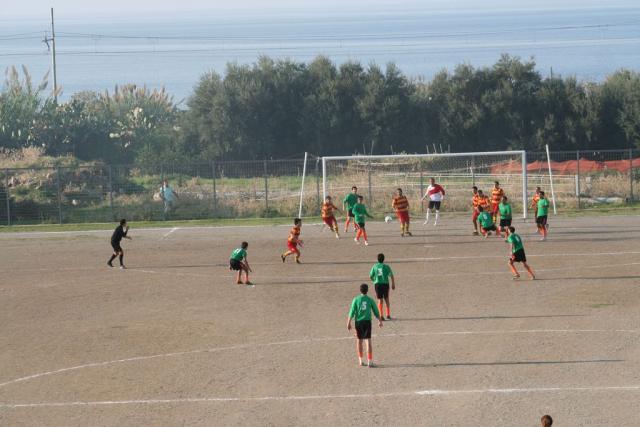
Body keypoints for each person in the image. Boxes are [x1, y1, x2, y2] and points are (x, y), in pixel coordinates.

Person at [347, 283, 383, 367]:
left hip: (358, 322)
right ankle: (370, 362)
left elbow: (352, 311)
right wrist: (380, 321)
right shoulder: (370, 300)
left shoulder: (356, 299)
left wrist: (348, 322)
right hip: (367, 322)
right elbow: (376, 311)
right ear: (367, 290)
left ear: (360, 290)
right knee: (368, 341)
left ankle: (360, 361)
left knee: (359, 341)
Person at [369, 253, 395, 321]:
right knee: (386, 299)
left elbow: (370, 276)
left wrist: (374, 280)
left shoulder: (374, 266)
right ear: (384, 259)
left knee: (380, 300)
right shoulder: (386, 266)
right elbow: (391, 275)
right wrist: (393, 284)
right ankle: (388, 314)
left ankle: (381, 315)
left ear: (377, 259)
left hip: (378, 284)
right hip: (385, 284)